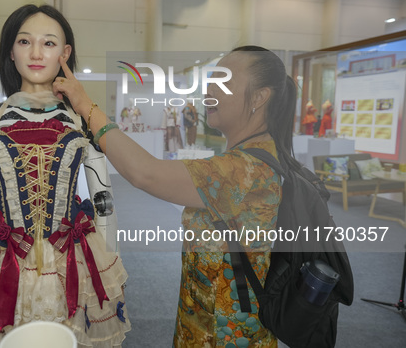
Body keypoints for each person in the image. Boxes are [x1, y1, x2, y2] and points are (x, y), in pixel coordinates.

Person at [54, 45, 302, 347]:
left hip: (226, 333)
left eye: (224, 82)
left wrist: (84, 104)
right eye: (211, 79)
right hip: (210, 318)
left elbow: (146, 173)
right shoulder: (252, 157)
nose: (210, 89)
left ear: (260, 97)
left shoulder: (244, 168)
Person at [0, 4, 130, 347]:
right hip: (1, 260)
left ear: (65, 53)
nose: (36, 53)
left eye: (49, 43)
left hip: (73, 259)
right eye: (25, 42)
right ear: (11, 49)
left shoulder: (84, 120)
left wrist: (112, 275)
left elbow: (103, 203)